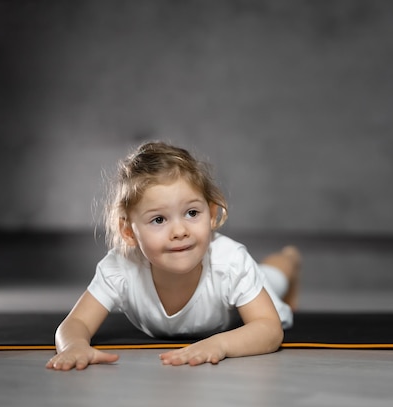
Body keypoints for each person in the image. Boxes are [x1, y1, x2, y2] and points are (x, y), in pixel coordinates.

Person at [46, 141, 301, 370]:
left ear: (211, 214)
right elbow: (75, 322)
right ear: (128, 231)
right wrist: (74, 346)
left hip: (241, 296)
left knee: (272, 277)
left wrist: (219, 345)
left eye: (192, 213)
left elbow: (268, 329)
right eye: (158, 219)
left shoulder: (230, 261)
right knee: (268, 274)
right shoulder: (119, 267)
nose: (179, 231)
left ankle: (290, 258)